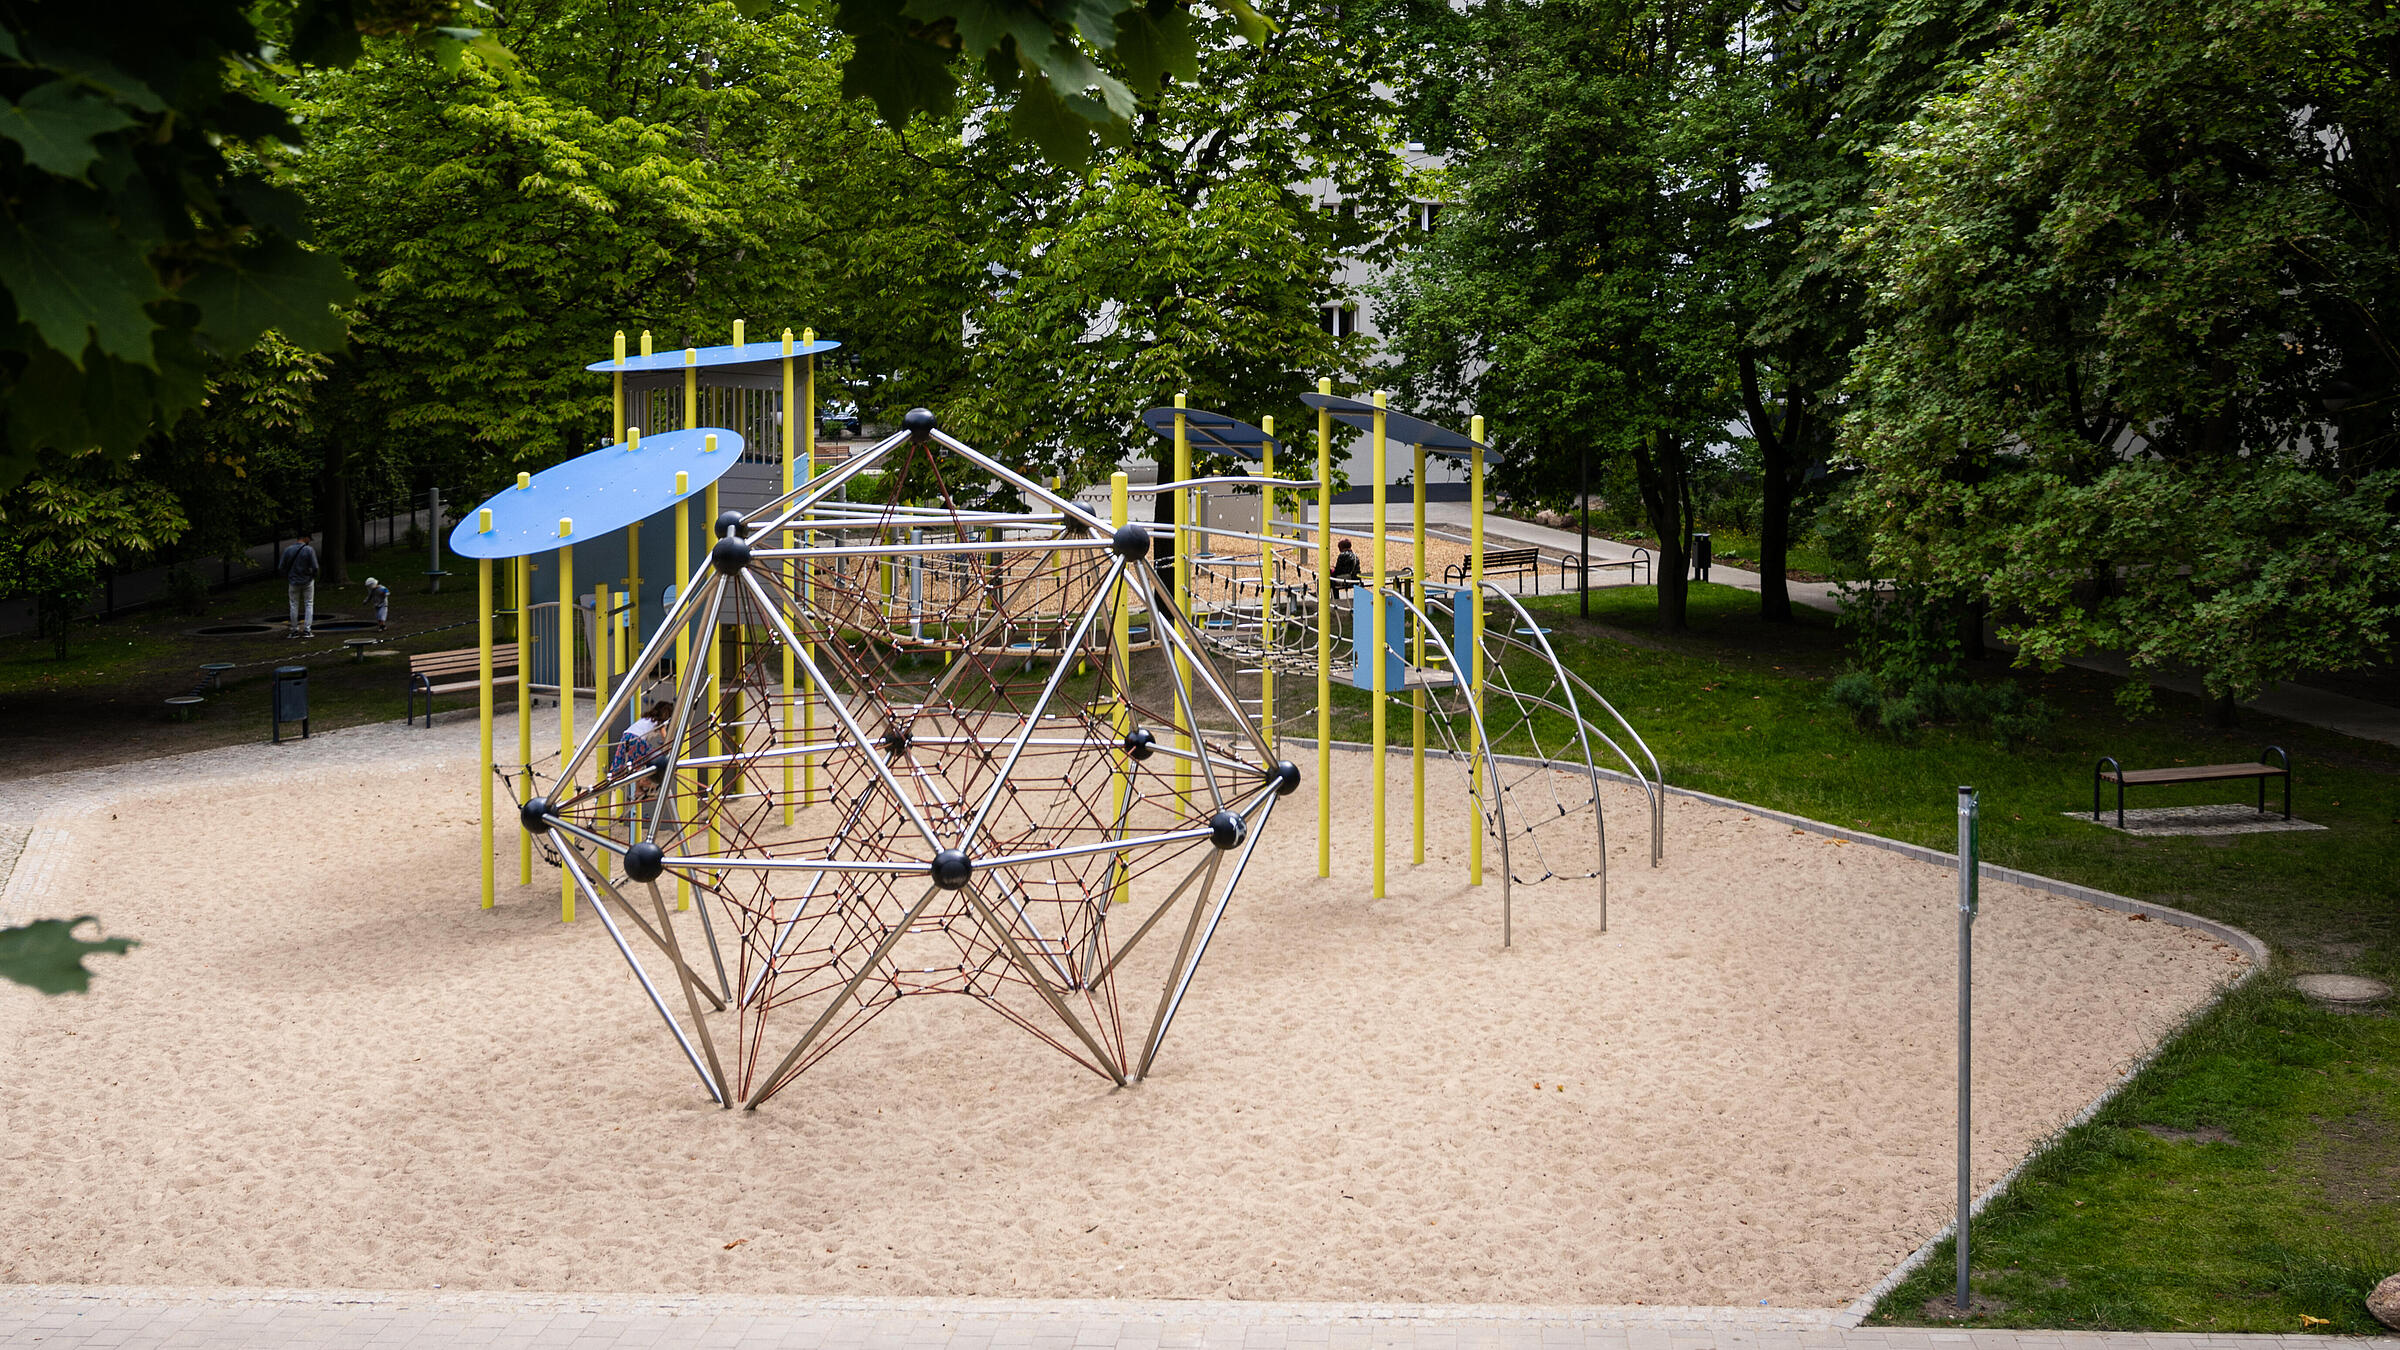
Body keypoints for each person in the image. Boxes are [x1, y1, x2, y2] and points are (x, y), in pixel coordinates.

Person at [279, 533, 319, 637]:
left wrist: (288, 576)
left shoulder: (288, 550)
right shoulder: (309, 550)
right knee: (309, 604)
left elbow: (281, 566)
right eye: (308, 539)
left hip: (293, 581)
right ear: (305, 538)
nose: (309, 541)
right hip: (307, 580)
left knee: (293, 604)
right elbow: (315, 567)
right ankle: (307, 629)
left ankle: (294, 630)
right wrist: (312, 575)